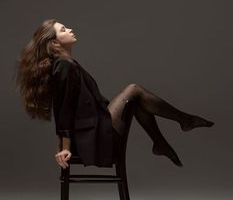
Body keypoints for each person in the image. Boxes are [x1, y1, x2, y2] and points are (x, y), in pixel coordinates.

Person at [14, 19, 214, 169]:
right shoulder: (64, 67)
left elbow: (67, 105)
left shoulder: (67, 65)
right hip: (92, 135)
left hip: (94, 127)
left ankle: (162, 141)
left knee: (134, 99)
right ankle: (181, 123)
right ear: (55, 44)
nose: (70, 29)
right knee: (133, 90)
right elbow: (64, 109)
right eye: (64, 30)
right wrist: (64, 147)